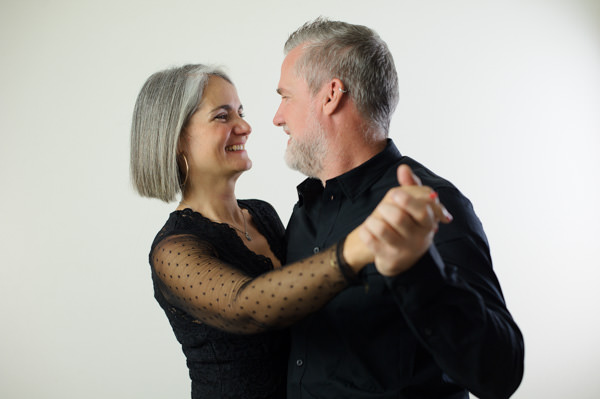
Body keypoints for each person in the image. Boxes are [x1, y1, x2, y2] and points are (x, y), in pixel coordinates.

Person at [130, 64, 449, 398]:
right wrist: (360, 245)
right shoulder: (173, 250)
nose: (245, 126)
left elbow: (307, 298)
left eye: (241, 112)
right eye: (222, 117)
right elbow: (248, 305)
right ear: (177, 138)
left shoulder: (261, 214)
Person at [273, 18, 525, 399]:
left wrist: (419, 268)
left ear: (330, 95)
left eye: (286, 96)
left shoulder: (427, 204)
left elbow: (500, 373)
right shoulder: (304, 213)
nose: (277, 117)